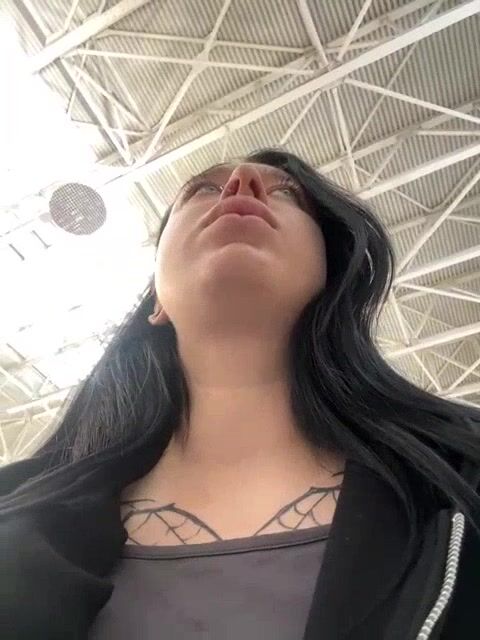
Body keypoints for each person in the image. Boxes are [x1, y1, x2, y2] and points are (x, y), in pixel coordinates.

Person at [1, 148, 479, 640]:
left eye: (288, 195)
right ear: (156, 301)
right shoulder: (12, 509)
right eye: (202, 190)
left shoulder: (463, 476)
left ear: (331, 276)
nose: (243, 182)